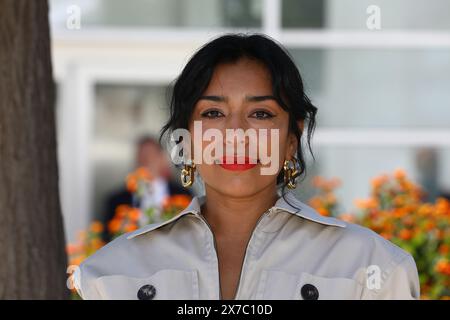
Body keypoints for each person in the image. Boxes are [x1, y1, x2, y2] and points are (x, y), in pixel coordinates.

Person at [74, 33, 420, 300]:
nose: (236, 134)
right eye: (213, 113)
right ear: (187, 138)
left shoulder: (373, 267)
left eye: (260, 114)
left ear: (291, 138)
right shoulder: (110, 274)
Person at [102, 135, 192, 242]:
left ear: (161, 158)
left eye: (151, 155)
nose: (147, 160)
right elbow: (107, 238)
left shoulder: (182, 194)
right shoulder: (117, 200)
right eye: (142, 156)